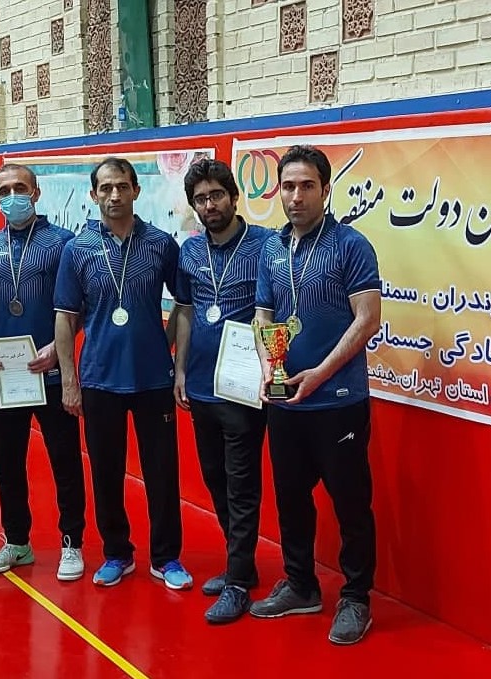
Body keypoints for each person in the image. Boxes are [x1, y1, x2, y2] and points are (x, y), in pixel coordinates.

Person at [251, 145, 381, 645]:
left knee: (351, 503)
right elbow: (263, 316)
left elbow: (367, 319)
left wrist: (320, 374)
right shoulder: (271, 249)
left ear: (326, 190)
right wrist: (269, 367)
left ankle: (356, 597)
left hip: (339, 400)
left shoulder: (351, 245)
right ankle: (301, 585)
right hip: (287, 402)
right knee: (291, 499)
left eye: (307, 186)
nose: (296, 196)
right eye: (288, 186)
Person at [54, 156, 192, 590]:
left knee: (162, 473)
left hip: (153, 379)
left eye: (122, 186)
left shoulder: (161, 245)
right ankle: (117, 553)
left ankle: (166, 558)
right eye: (106, 188)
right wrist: (70, 380)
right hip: (99, 380)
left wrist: (169, 354)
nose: (114, 195)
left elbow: (184, 305)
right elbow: (65, 318)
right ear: (94, 194)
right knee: (106, 472)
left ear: (136, 190)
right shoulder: (77, 249)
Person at [168, 158, 272, 622]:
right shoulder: (190, 251)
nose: (209, 205)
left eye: (216, 196)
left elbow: (275, 314)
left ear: (233, 196)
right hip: (201, 384)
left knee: (241, 483)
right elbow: (187, 313)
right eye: (200, 199)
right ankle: (241, 565)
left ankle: (237, 584)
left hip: (244, 388)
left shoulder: (266, 245)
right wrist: (180, 370)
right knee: (215, 478)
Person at [0, 164, 87, 581]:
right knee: (7, 463)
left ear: (36, 193)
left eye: (19, 188)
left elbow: (78, 308)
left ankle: (71, 543)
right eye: (4, 190)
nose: (12, 197)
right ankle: (17, 542)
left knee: (64, 461)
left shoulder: (63, 242)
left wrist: (57, 351)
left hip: (50, 371)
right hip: (6, 373)